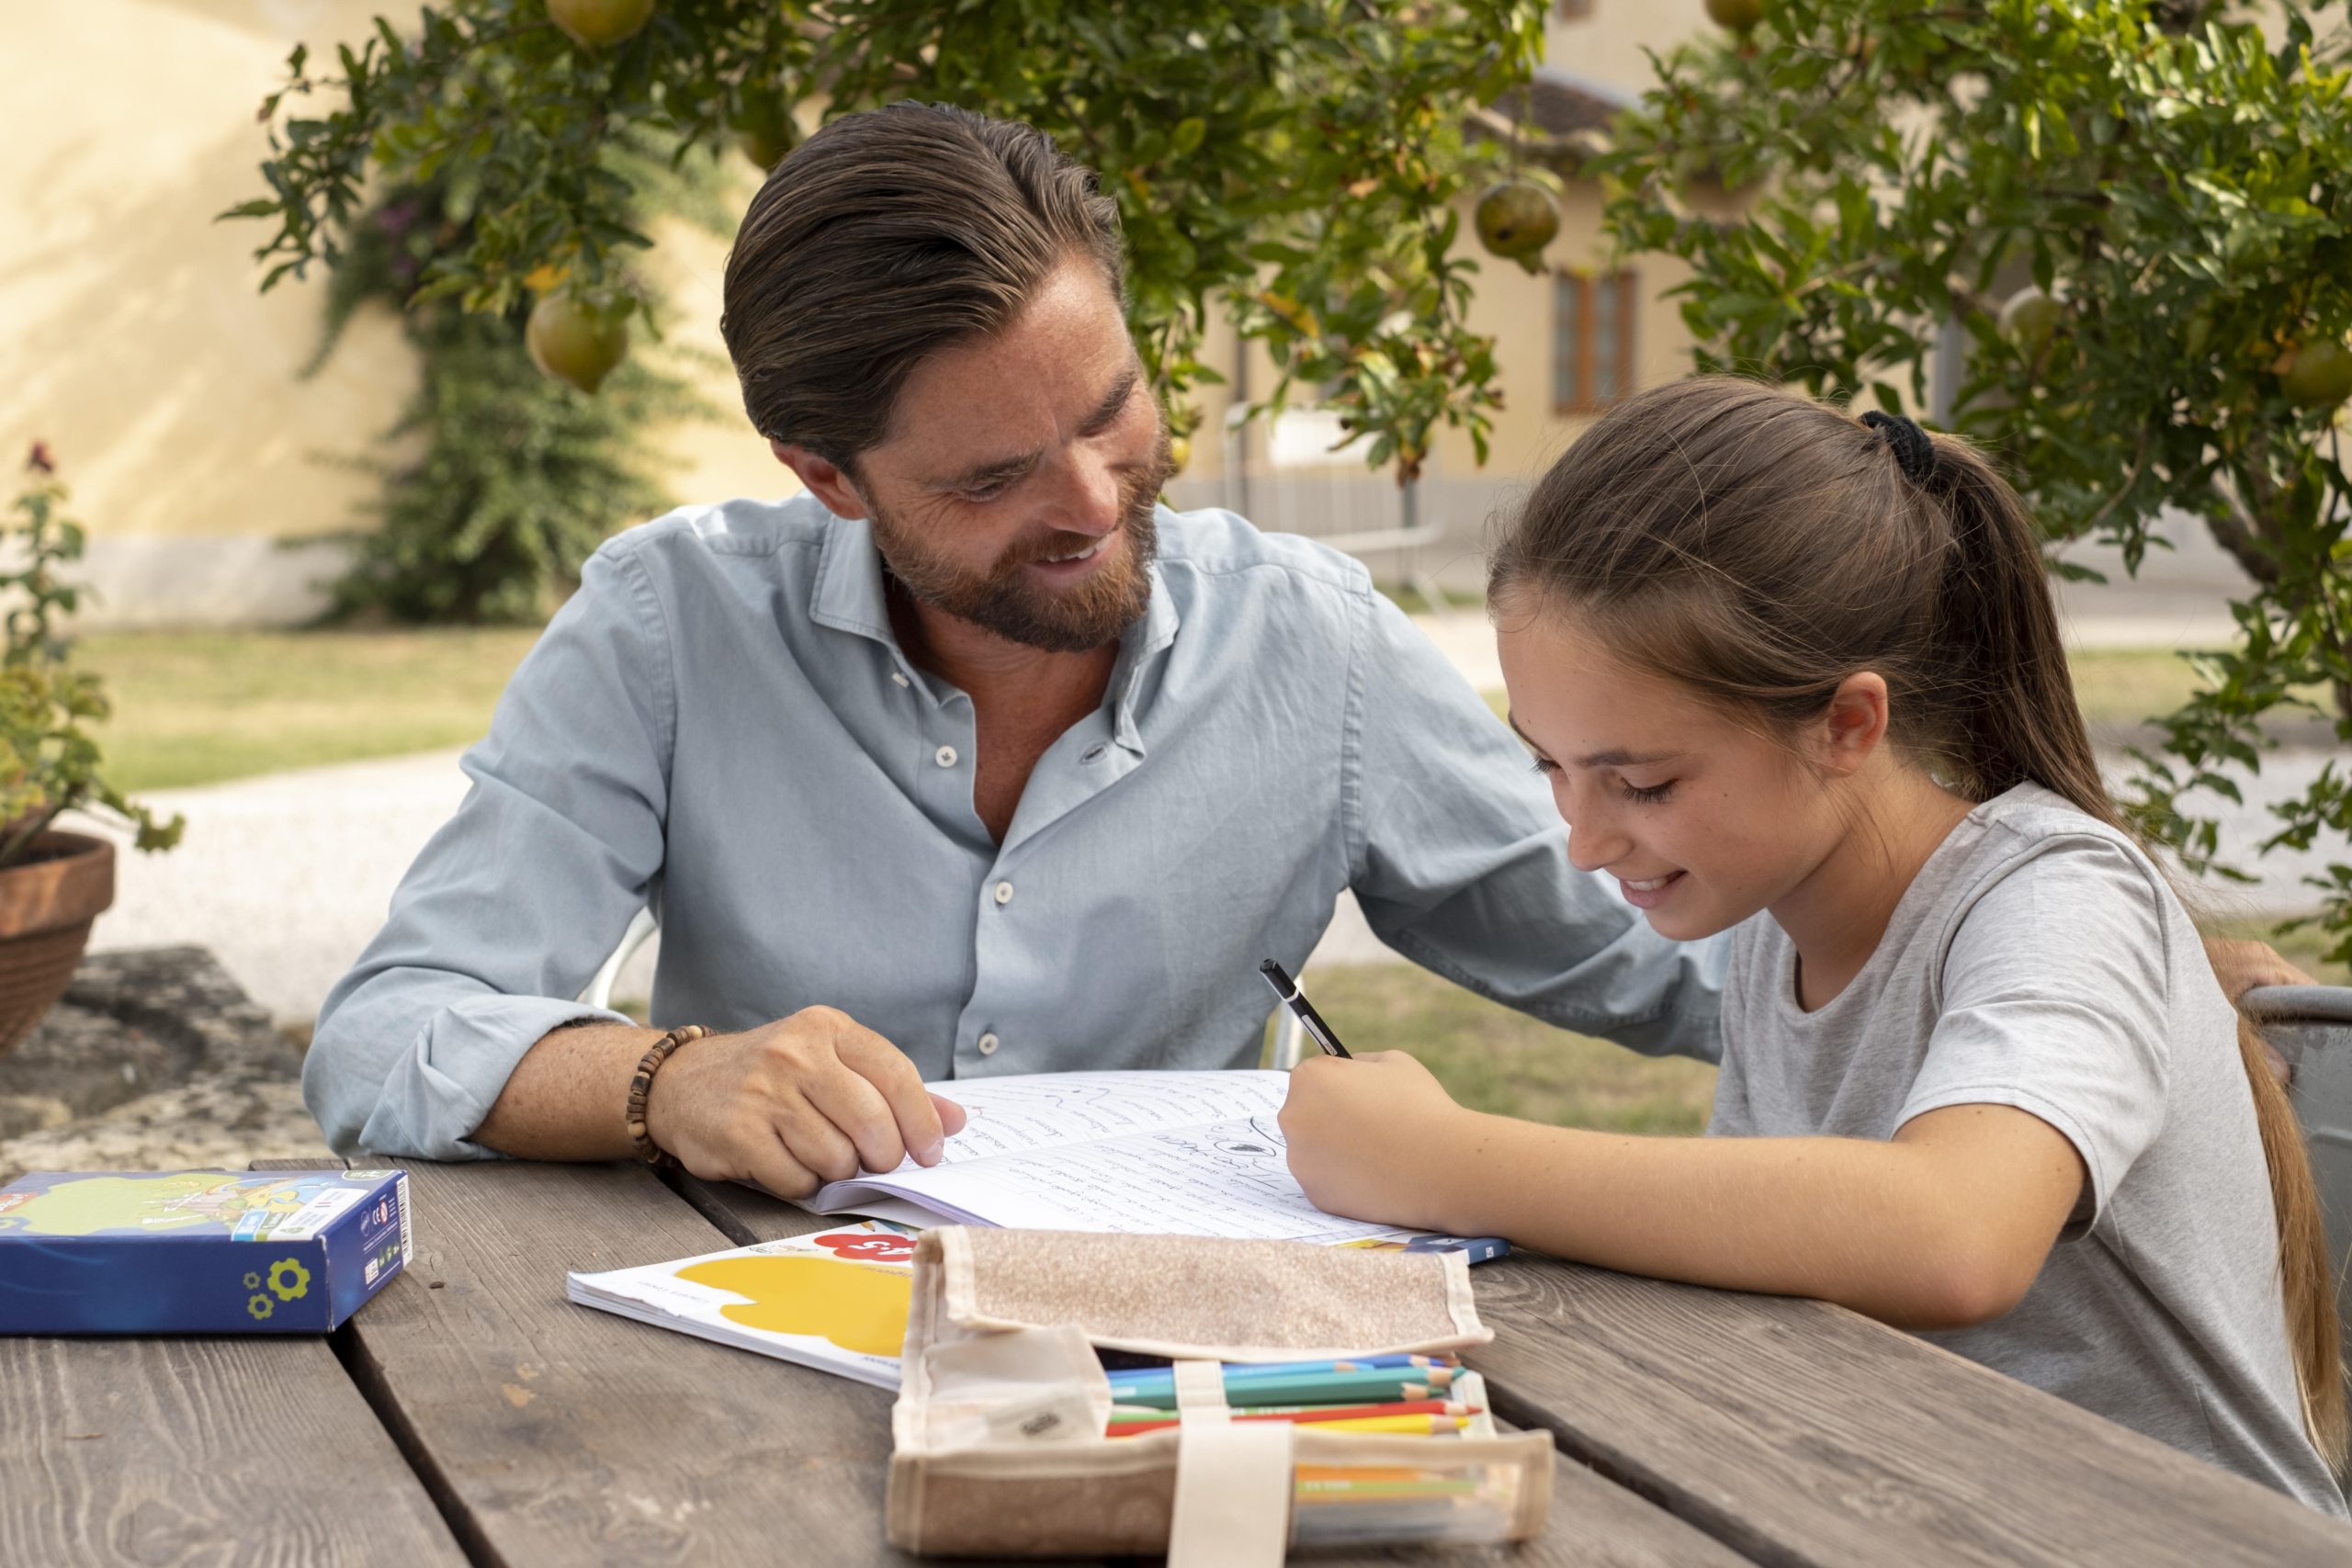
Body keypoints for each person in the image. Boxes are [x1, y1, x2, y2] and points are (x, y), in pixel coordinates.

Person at [301, 102, 1725, 1191]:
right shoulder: (668, 623)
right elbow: (388, 1032)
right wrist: (665, 1078)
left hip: (1177, 1366)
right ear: (829, 479)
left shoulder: (1315, 647)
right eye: (992, 480)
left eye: (1112, 408)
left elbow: (1682, 955)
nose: (1096, 503)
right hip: (743, 1355)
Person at [1279, 377, 2349, 1511]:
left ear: (1847, 725)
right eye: (1548, 764)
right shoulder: (1771, 931)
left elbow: (1956, 1233)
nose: (1582, 841)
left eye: (1640, 782)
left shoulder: (2056, 896)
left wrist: (1448, 1165)